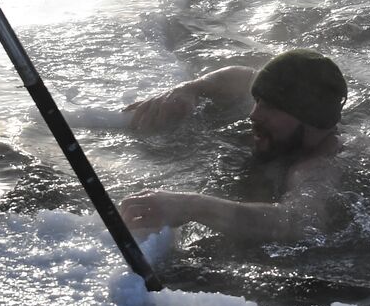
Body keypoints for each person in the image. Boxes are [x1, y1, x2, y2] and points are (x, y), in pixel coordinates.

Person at [119, 49, 346, 242]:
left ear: (311, 119)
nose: (254, 114)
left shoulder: (322, 165)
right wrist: (190, 89)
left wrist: (190, 206)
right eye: (257, 101)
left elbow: (297, 221)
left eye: (271, 107)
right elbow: (243, 76)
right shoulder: (285, 122)